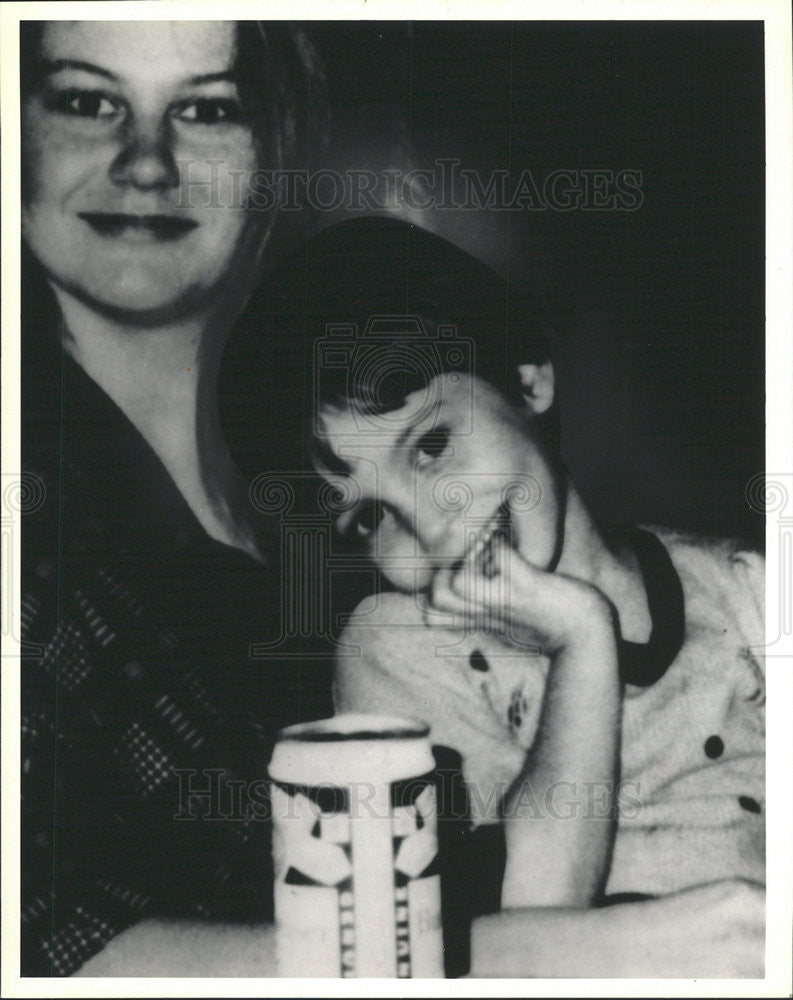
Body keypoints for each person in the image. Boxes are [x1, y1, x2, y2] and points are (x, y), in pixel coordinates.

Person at [220, 215, 765, 975]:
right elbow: (537, 932)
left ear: (527, 377)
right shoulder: (396, 646)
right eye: (368, 517)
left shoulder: (745, 589)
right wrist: (581, 637)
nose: (428, 524)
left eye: (431, 445)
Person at [20, 19, 332, 976]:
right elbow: (34, 940)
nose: (147, 163)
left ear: (271, 155)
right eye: (85, 101)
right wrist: (518, 959)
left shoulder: (330, 493)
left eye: (205, 110)